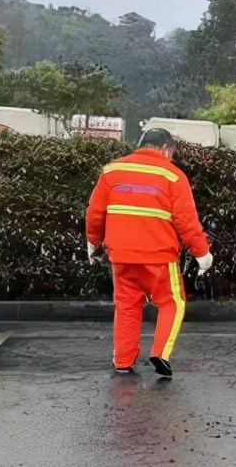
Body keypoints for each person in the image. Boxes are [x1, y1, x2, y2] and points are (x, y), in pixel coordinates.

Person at [85, 128, 212, 377]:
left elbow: (95, 213)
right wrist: (202, 253)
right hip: (159, 258)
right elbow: (186, 220)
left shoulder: (112, 171)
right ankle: (160, 353)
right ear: (166, 148)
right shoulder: (174, 176)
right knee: (172, 303)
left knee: (127, 306)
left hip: (121, 257)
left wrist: (93, 242)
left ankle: (123, 361)